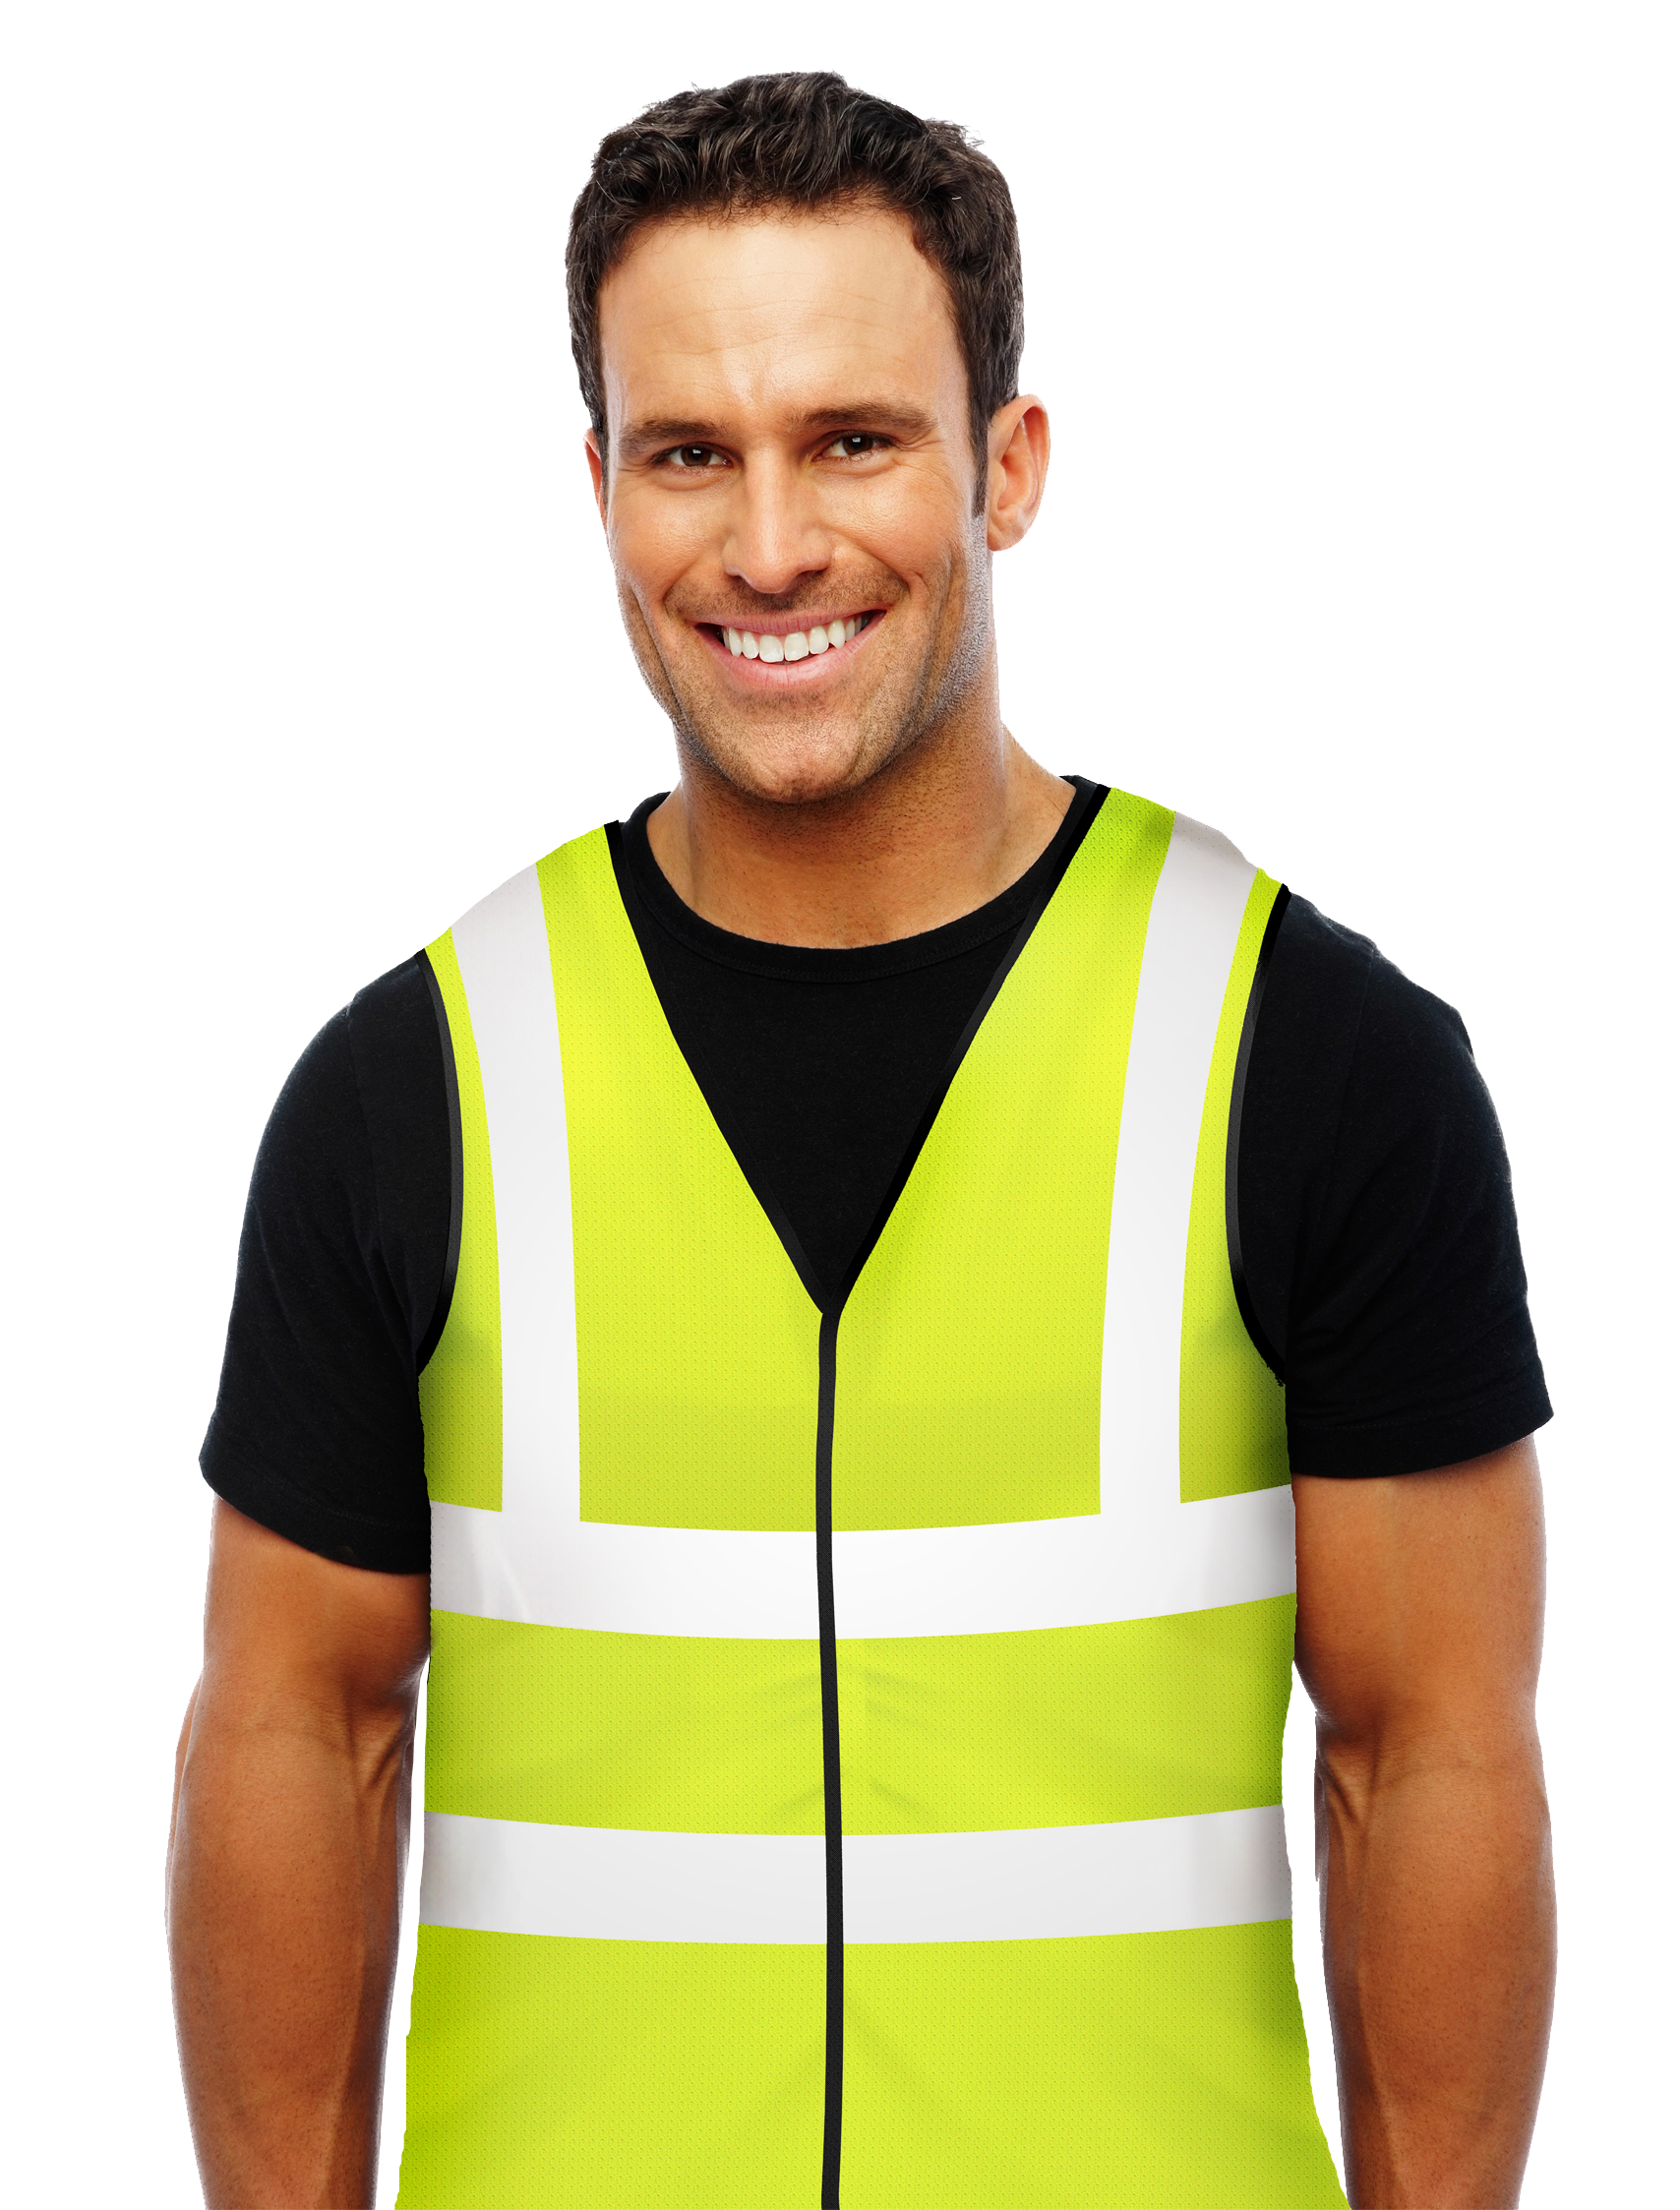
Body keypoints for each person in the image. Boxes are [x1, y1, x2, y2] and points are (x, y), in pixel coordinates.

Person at [166, 70, 1556, 2210]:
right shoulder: (411, 1086)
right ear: (598, 487)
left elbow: (1426, 1752)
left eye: (850, 439)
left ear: (1007, 463)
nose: (768, 545)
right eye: (687, 454)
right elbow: (297, 1730)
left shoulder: (1314, 1059)